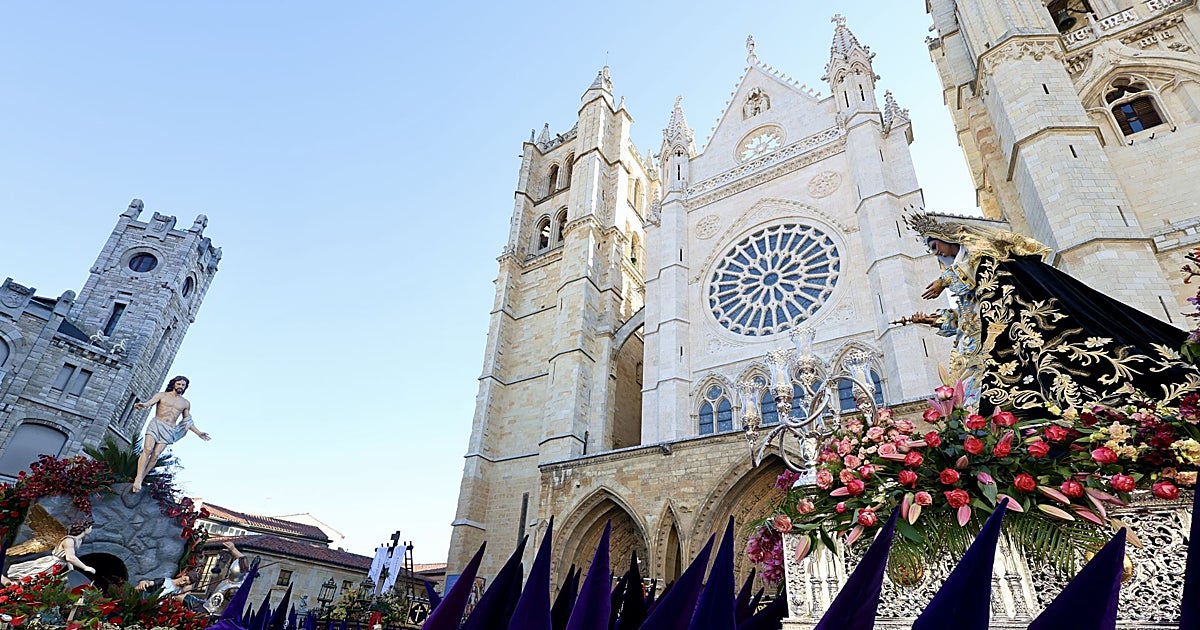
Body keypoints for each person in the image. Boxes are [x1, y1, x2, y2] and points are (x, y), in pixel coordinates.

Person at [905, 213, 1199, 415]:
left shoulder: (990, 263)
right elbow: (971, 318)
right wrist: (931, 320)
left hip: (1020, 337)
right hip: (980, 350)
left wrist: (945, 280)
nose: (935, 253)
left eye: (935, 245)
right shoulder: (973, 282)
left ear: (950, 237)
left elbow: (991, 292)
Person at [131, 375, 210, 493]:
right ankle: (138, 478)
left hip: (169, 430)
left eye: (183, 385)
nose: (181, 386)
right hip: (156, 425)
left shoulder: (185, 403)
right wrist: (143, 405)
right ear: (174, 384)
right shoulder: (162, 395)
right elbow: (150, 403)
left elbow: (187, 421)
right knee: (147, 449)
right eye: (179, 384)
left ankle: (142, 478)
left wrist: (198, 432)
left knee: (156, 454)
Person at [2, 516, 96, 585]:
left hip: (59, 565)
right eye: (91, 527)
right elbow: (70, 557)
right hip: (52, 564)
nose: (91, 529)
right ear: (85, 528)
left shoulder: (78, 540)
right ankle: (7, 583)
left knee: (36, 581)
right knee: (32, 579)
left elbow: (68, 558)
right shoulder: (69, 540)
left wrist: (71, 571)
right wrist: (85, 567)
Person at [135, 568, 199, 600]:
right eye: (184, 580)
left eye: (185, 583)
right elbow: (151, 583)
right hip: (148, 600)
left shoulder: (179, 592)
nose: (182, 583)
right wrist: (145, 582)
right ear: (184, 575)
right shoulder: (165, 581)